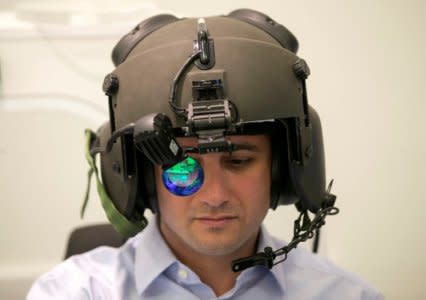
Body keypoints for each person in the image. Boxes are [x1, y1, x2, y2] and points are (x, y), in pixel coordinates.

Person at [27, 9, 384, 300]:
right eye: (182, 167)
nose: (214, 197)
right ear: (141, 177)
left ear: (282, 171)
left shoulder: (345, 294)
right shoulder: (76, 292)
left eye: (239, 161)